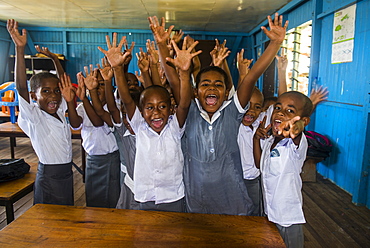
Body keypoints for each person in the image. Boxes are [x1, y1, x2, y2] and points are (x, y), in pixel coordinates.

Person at [149, 13, 288, 215]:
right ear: (196, 92)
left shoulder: (232, 111)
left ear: (226, 93)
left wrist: (275, 44)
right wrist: (162, 45)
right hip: (196, 197)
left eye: (218, 85)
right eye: (205, 84)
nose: (212, 88)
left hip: (230, 197)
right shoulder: (189, 110)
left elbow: (250, 78)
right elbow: (174, 81)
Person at [98, 33, 200, 212]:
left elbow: (184, 104)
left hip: (173, 196)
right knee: (146, 237)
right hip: (145, 195)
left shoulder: (175, 128)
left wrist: (184, 73)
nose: (156, 113)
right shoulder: (139, 127)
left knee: (173, 236)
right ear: (141, 111)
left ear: (171, 109)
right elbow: (127, 100)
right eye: (149, 108)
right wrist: (117, 69)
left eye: (162, 106)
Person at [7, 19, 78, 205]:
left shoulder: (60, 110)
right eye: (45, 91)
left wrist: (55, 59)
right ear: (33, 96)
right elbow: (21, 86)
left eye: (56, 91)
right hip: (50, 176)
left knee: (65, 216)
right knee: (49, 219)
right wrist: (20, 49)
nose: (53, 96)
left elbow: (63, 81)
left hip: (65, 174)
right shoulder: (35, 117)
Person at [253, 91, 313, 248]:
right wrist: (255, 139)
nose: (280, 112)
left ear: (304, 121)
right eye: (278, 107)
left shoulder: (295, 146)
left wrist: (296, 127)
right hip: (269, 212)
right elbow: (260, 166)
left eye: (290, 111)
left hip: (287, 218)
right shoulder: (270, 141)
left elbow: (297, 133)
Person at [69, 65, 121, 208]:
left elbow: (98, 122)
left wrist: (86, 98)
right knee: (93, 199)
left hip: (111, 159)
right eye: (92, 84)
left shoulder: (114, 107)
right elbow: (75, 124)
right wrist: (71, 101)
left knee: (112, 198)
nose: (96, 88)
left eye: (101, 85)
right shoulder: (81, 108)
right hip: (92, 160)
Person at [237, 87, 265, 216]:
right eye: (247, 105)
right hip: (233, 180)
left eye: (257, 107)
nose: (251, 111)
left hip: (253, 180)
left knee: (254, 213)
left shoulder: (259, 127)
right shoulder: (235, 125)